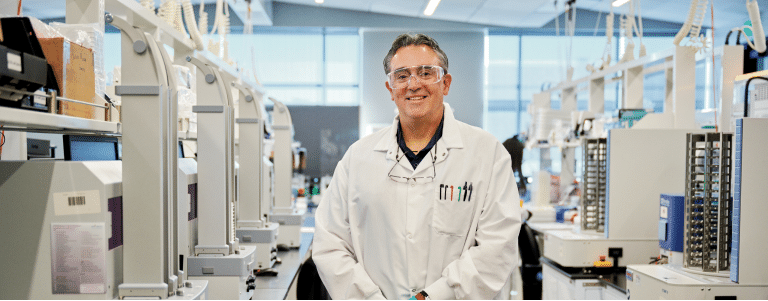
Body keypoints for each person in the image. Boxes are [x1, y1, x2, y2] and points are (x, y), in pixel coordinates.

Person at [313, 33, 521, 300]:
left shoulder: (487, 154)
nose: (413, 84)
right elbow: (330, 243)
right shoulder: (358, 158)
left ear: (445, 83)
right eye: (401, 76)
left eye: (425, 73)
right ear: (390, 89)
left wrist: (431, 297)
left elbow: (497, 248)